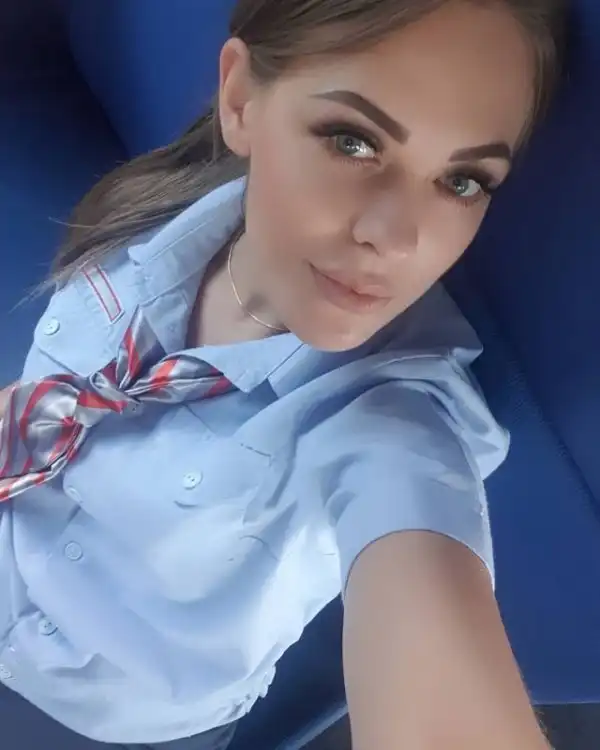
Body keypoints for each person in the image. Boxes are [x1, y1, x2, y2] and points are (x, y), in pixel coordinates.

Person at [0, 0, 567, 748]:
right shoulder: (159, 214)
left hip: (103, 723)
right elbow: (58, 391)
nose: (395, 239)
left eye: (463, 182)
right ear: (240, 101)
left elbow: (421, 567)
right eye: (353, 141)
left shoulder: (392, 416)